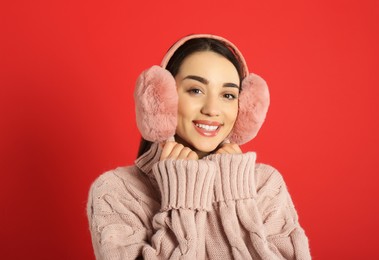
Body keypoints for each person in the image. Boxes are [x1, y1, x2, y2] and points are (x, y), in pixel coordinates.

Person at [87, 34, 311, 259]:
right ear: (162, 98)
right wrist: (183, 198)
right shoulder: (115, 192)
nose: (212, 109)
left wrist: (234, 197)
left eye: (228, 95)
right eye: (196, 90)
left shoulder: (265, 185)